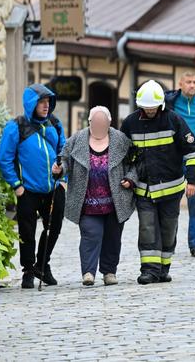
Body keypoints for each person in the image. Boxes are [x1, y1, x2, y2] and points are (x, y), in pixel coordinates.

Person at [120, 80, 195, 285]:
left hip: (171, 189)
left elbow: (192, 152)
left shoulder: (174, 120)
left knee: (168, 229)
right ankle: (149, 270)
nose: (149, 111)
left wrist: (193, 181)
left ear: (160, 105)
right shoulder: (130, 123)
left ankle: (164, 268)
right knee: (147, 228)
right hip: (144, 189)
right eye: (146, 108)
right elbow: (122, 154)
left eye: (152, 107)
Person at [53, 106, 136, 286]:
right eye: (95, 122)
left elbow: (134, 163)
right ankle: (88, 272)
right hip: (87, 202)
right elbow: (65, 160)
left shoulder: (121, 140)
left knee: (112, 238)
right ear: (90, 122)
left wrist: (131, 178)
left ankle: (109, 272)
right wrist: (60, 169)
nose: (99, 126)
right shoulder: (77, 140)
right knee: (91, 234)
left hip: (115, 201)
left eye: (103, 122)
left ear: (109, 123)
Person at [0, 84, 66, 289]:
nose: (46, 106)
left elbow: (63, 150)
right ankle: (28, 270)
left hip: (53, 187)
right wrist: (16, 185)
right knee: (27, 232)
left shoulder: (54, 123)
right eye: (41, 102)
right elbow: (4, 158)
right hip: (27, 189)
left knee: (54, 227)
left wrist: (62, 176)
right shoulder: (16, 126)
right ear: (31, 104)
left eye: (48, 102)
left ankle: (42, 264)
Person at [165, 71, 195, 257]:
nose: (192, 85)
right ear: (180, 83)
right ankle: (169, 242)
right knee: (171, 201)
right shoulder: (169, 103)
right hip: (173, 159)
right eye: (188, 82)